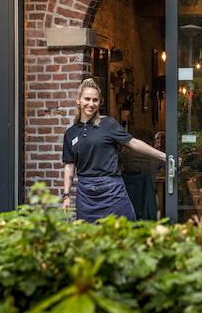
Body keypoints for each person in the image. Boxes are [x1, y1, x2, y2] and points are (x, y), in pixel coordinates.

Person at [61, 78, 166, 222]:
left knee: (124, 232)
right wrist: (66, 195)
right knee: (89, 238)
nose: (91, 104)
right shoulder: (71, 133)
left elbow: (133, 143)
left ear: (99, 102)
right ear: (78, 100)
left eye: (95, 100)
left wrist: (163, 156)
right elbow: (69, 165)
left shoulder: (108, 124)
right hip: (86, 194)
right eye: (87, 99)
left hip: (112, 191)